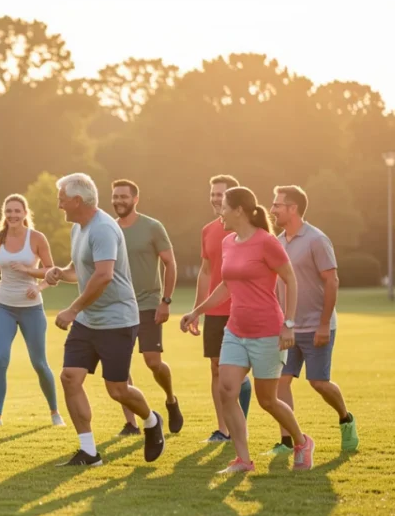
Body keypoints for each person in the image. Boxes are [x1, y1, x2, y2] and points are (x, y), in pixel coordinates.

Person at [181, 186, 314, 473]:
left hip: (267, 331)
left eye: (224, 207)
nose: (220, 212)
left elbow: (290, 280)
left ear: (239, 210)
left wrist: (289, 324)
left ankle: (302, 442)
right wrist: (197, 311)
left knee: (267, 400)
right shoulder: (228, 242)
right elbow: (227, 285)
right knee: (227, 389)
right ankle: (243, 459)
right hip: (235, 331)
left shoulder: (266, 242)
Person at [44, 173, 166, 467]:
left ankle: (151, 421)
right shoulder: (79, 228)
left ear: (77, 200)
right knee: (70, 378)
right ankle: (89, 452)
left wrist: (72, 309)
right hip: (89, 320)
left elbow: (104, 274)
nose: (59, 205)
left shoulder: (103, 229)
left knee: (117, 390)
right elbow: (81, 267)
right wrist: (61, 272)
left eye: (62, 199)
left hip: (117, 320)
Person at [268, 185, 358, 453]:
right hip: (289, 328)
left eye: (277, 205)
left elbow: (331, 281)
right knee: (281, 382)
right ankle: (288, 441)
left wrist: (323, 324)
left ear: (292, 208)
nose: (272, 210)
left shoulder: (317, 239)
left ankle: (345, 418)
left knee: (319, 382)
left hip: (317, 327)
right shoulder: (277, 242)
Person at [0, 193, 64, 428]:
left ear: (25, 213)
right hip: (4, 307)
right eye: (8, 211)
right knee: (0, 359)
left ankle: (55, 413)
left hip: (31, 309)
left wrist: (37, 285)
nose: (13, 215)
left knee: (39, 363)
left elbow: (53, 272)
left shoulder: (37, 238)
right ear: (4, 214)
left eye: (17, 211)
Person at [111, 179, 182, 435]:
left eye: (124, 196)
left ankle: (171, 400)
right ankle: (131, 423)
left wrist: (166, 300)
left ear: (135, 199)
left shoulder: (152, 227)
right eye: (115, 196)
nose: (119, 201)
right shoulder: (110, 229)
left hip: (148, 305)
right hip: (117, 307)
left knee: (153, 362)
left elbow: (170, 264)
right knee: (119, 366)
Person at [190, 174, 253, 443]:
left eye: (221, 194)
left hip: (242, 308)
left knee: (237, 372)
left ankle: (238, 420)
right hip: (215, 311)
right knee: (216, 369)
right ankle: (224, 430)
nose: (216, 199)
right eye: (213, 193)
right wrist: (197, 310)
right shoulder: (208, 230)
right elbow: (205, 272)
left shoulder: (247, 230)